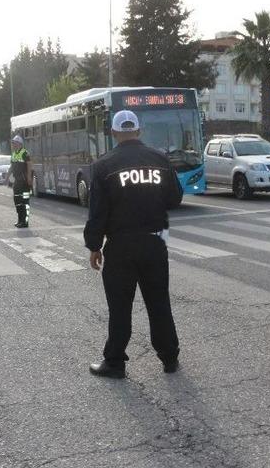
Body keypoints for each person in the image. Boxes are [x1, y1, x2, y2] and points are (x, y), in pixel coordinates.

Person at [84, 110, 183, 379]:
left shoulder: (104, 166)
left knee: (120, 307)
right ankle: (170, 358)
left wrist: (94, 246)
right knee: (159, 302)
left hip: (121, 246)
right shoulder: (160, 159)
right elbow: (175, 198)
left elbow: (98, 212)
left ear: (115, 134)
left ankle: (114, 363)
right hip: (156, 241)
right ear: (138, 131)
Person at [9, 135, 32, 228]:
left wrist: (29, 177)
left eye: (14, 143)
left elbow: (29, 165)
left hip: (24, 182)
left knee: (25, 202)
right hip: (17, 182)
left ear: (19, 143)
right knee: (17, 201)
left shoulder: (25, 153)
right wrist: (7, 177)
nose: (13, 145)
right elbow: (11, 167)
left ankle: (25, 222)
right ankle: (20, 220)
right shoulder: (14, 154)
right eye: (12, 143)